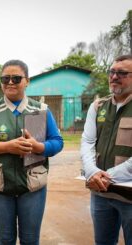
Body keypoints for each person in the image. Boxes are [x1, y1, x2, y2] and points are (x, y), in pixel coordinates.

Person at [0, 59, 63, 244]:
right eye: (6, 79)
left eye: (16, 78)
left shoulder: (40, 110)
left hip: (32, 186)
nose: (10, 82)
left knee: (30, 240)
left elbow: (57, 142)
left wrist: (39, 147)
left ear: (27, 81)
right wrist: (7, 147)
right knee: (5, 239)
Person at [81, 54, 132, 245]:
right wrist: (92, 171)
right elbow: (87, 141)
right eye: (112, 72)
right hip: (101, 193)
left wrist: (105, 176)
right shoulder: (98, 106)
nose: (114, 76)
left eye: (122, 73)